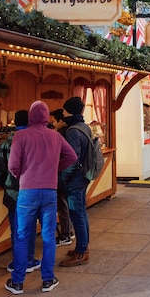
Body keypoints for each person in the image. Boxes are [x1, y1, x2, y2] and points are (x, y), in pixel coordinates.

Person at [6, 101, 77, 294]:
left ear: (30, 116)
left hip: (27, 192)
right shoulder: (55, 136)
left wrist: (21, 174)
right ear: (46, 117)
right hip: (49, 192)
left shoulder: (21, 135)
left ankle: (18, 282)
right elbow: (72, 157)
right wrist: (55, 169)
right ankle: (47, 279)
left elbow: (12, 165)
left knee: (22, 236)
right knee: (48, 237)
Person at [0, 110, 41, 275]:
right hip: (34, 191)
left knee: (18, 229)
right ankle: (30, 260)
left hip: (14, 193)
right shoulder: (37, 141)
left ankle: (19, 262)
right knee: (31, 227)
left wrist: (7, 185)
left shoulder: (7, 143)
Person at [58, 96, 92, 267]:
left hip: (75, 180)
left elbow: (72, 159)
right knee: (82, 213)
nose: (62, 113)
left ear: (69, 111)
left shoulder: (72, 131)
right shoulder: (84, 127)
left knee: (77, 215)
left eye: (64, 110)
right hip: (83, 176)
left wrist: (62, 178)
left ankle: (81, 252)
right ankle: (83, 248)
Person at [49, 109, 74, 247]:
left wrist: (57, 167)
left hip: (60, 175)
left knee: (62, 204)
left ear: (60, 121)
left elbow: (68, 156)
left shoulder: (60, 135)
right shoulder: (69, 132)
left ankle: (65, 235)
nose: (52, 125)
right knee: (65, 204)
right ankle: (69, 231)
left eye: (53, 122)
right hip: (68, 175)